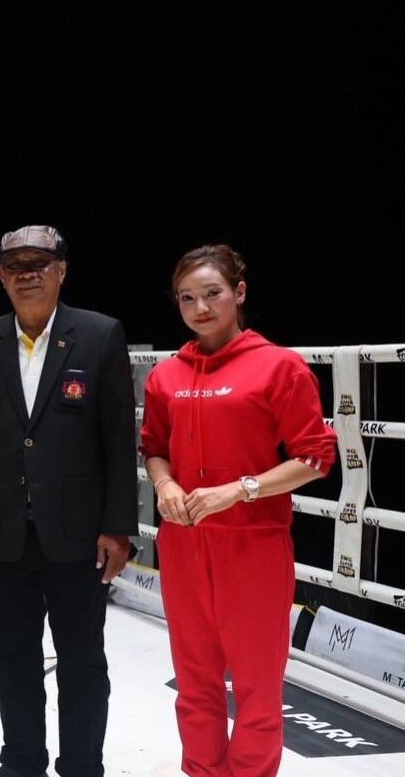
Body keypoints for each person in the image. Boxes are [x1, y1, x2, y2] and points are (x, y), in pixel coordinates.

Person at [140, 245, 335, 777]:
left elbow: (315, 458)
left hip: (254, 545)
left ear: (239, 293)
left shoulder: (279, 366)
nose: (200, 308)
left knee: (257, 687)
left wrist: (241, 489)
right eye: (187, 298)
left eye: (212, 294)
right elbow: (153, 445)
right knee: (194, 682)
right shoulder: (166, 375)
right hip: (183, 545)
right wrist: (164, 483)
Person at [0, 225, 135, 777]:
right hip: (2, 533)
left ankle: (82, 765)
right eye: (15, 266)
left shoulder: (100, 334)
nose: (27, 274)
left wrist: (118, 527)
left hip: (80, 535)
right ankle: (21, 761)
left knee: (82, 659)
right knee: (11, 657)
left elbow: (117, 438)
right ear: (0, 276)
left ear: (62, 270)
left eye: (39, 263)